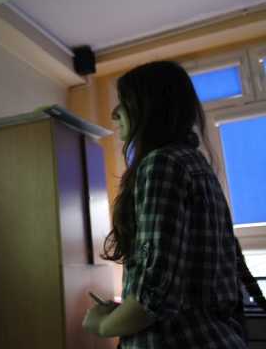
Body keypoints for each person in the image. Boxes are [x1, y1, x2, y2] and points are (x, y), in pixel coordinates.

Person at [82, 61, 246, 348]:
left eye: (124, 102)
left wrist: (102, 325)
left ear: (152, 107)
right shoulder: (195, 163)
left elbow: (156, 296)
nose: (114, 113)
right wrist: (125, 310)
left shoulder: (162, 163)